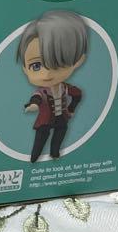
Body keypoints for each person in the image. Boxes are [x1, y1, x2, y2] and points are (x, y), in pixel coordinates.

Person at [16, 10, 88, 162]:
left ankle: (55, 153)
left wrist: (71, 109)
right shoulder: (42, 91)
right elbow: (36, 98)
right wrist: (33, 105)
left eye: (58, 64)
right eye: (36, 66)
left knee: (59, 135)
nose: (47, 74)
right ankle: (34, 157)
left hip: (61, 118)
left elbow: (77, 94)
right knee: (41, 138)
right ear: (25, 69)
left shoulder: (66, 88)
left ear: (77, 61)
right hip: (45, 120)